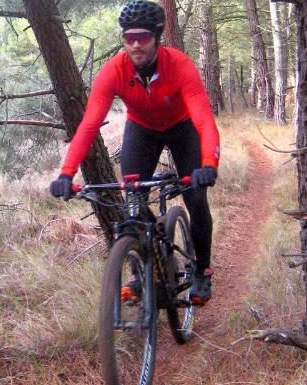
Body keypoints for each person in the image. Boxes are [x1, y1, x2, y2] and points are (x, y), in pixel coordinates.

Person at [49, 0, 220, 306]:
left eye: (142, 37)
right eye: (129, 38)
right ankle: (142, 270)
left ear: (157, 36)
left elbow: (204, 121)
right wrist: (66, 172)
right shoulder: (114, 70)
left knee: (195, 197)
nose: (136, 45)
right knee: (133, 200)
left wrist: (208, 164)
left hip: (183, 128)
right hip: (142, 129)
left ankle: (202, 272)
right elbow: (89, 125)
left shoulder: (179, 65)